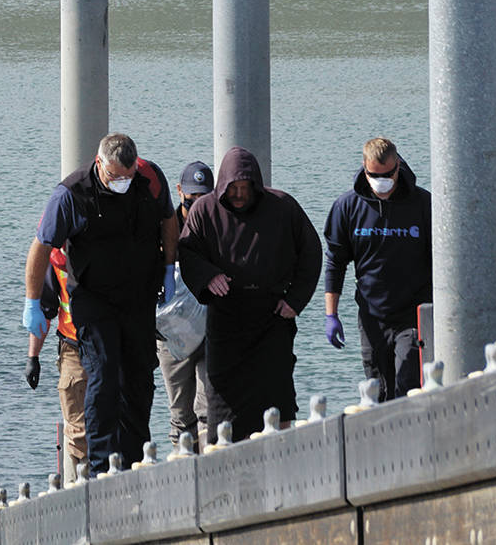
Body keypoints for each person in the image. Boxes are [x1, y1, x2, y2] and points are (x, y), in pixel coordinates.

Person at [32, 132, 174, 473]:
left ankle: (136, 459)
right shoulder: (72, 194)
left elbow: (169, 220)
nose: (122, 182)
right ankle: (100, 466)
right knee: (104, 374)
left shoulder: (150, 178)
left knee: (139, 377)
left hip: (138, 296)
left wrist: (169, 267)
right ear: (99, 165)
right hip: (94, 299)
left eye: (128, 176)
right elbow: (39, 248)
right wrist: (32, 301)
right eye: (115, 177)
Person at [178, 146, 323, 441]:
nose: (240, 194)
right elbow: (188, 251)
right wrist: (208, 276)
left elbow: (311, 253)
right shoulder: (205, 210)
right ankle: (224, 463)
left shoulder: (283, 207)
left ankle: (280, 460)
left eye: (245, 188)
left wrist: (296, 300)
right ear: (222, 187)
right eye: (233, 189)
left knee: (278, 399)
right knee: (222, 403)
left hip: (272, 317)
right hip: (226, 319)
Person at [322, 136, 433, 402]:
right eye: (374, 174)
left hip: (413, 314)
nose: (381, 181)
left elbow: (442, 260)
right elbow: (335, 263)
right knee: (378, 391)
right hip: (372, 316)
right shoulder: (347, 206)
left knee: (407, 386)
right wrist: (331, 315)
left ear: (398, 168)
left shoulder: (423, 204)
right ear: (364, 167)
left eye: (387, 174)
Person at [155, 160, 215, 451]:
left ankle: (208, 470)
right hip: (171, 336)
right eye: (192, 200)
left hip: (208, 330)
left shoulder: (218, 225)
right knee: (180, 414)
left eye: (205, 199)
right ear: (179, 192)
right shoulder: (165, 227)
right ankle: (181, 469)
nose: (197, 207)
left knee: (208, 408)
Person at [25, 244, 88, 476]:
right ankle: (78, 488)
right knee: (76, 430)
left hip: (108, 344)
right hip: (73, 349)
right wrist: (33, 357)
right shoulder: (54, 257)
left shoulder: (104, 242)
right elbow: (44, 310)